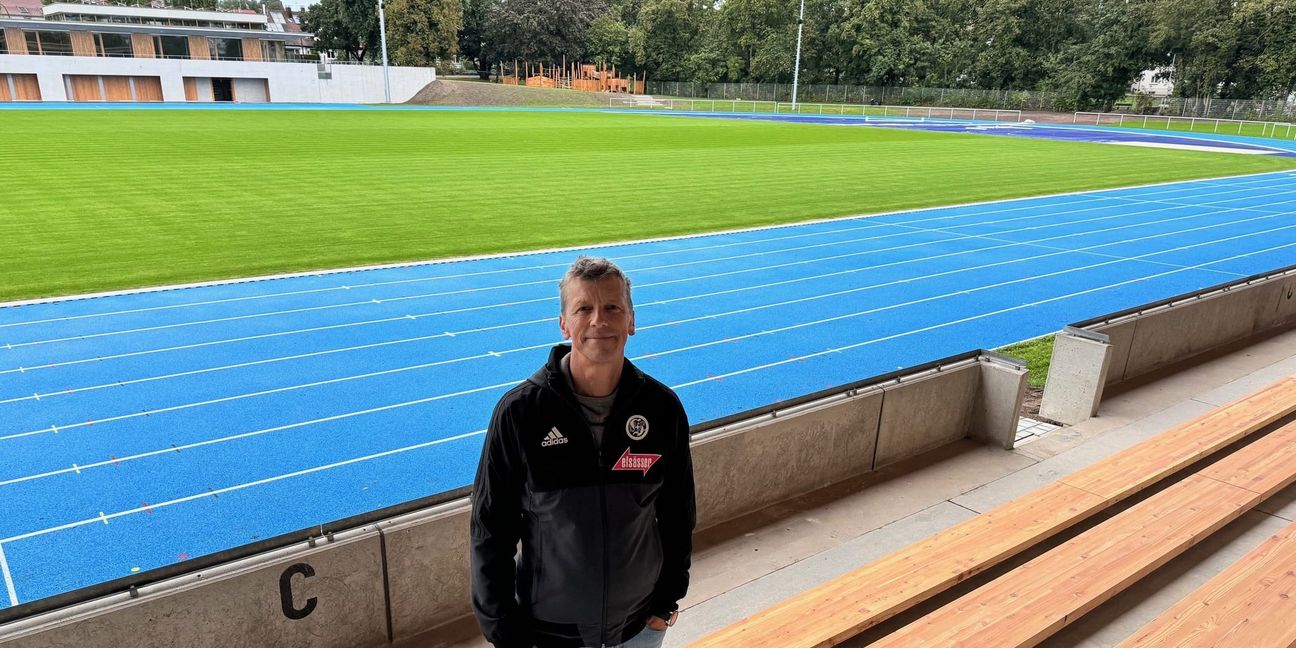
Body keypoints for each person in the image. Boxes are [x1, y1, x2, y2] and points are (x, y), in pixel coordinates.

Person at [471, 256, 696, 648]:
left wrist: (666, 603)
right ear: (564, 323)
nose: (599, 321)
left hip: (639, 629)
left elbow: (678, 512)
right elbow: (490, 530)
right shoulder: (521, 413)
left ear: (631, 320)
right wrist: (506, 634)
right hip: (549, 636)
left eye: (612, 307)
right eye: (584, 308)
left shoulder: (662, 409)